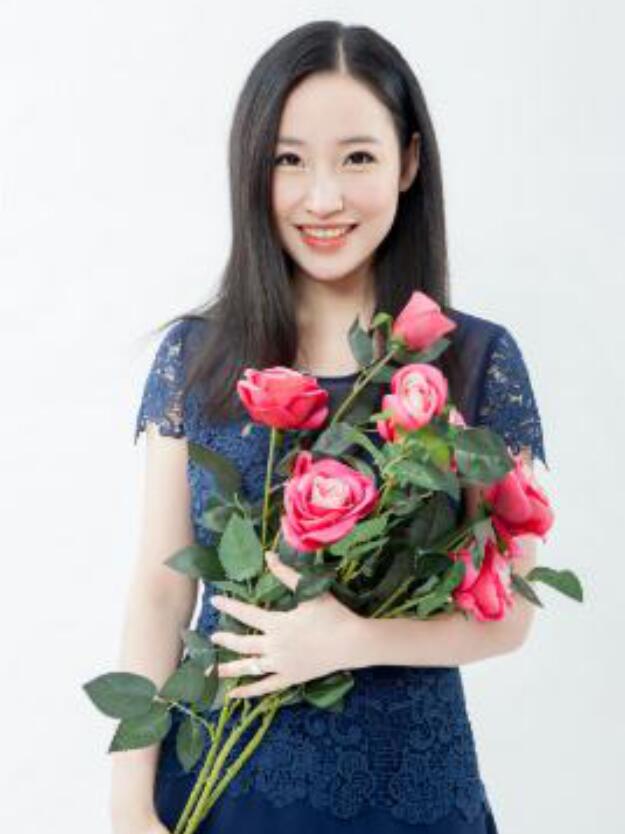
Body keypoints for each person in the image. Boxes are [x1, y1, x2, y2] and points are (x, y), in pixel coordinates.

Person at [110, 20, 548, 834]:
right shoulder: (196, 359)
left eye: (356, 158)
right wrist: (129, 805)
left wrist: (350, 639)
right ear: (253, 168)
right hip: (219, 791)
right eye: (288, 160)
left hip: (409, 797)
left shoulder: (475, 362)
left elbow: (508, 616)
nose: (321, 199)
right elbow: (162, 590)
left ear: (408, 163)